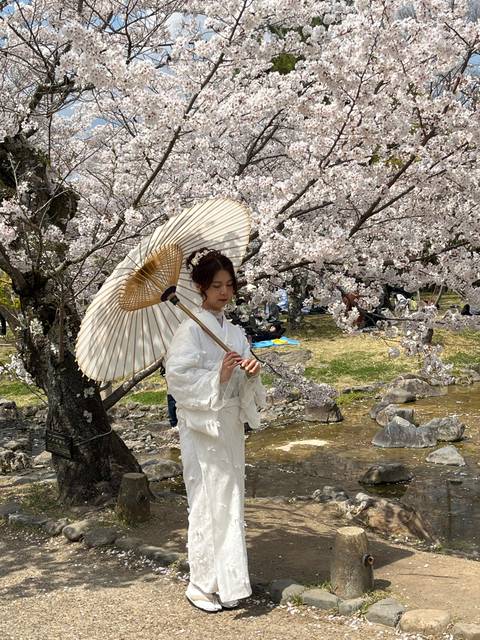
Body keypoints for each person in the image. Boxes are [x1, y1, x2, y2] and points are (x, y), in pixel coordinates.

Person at [165, 248, 266, 613]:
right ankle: (200, 583)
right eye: (216, 286)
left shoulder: (234, 332)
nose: (224, 292)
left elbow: (245, 386)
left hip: (228, 427)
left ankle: (229, 582)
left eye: (228, 285)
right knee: (206, 501)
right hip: (201, 429)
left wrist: (250, 373)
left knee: (230, 500)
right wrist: (218, 375)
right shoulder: (188, 331)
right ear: (200, 288)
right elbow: (178, 380)